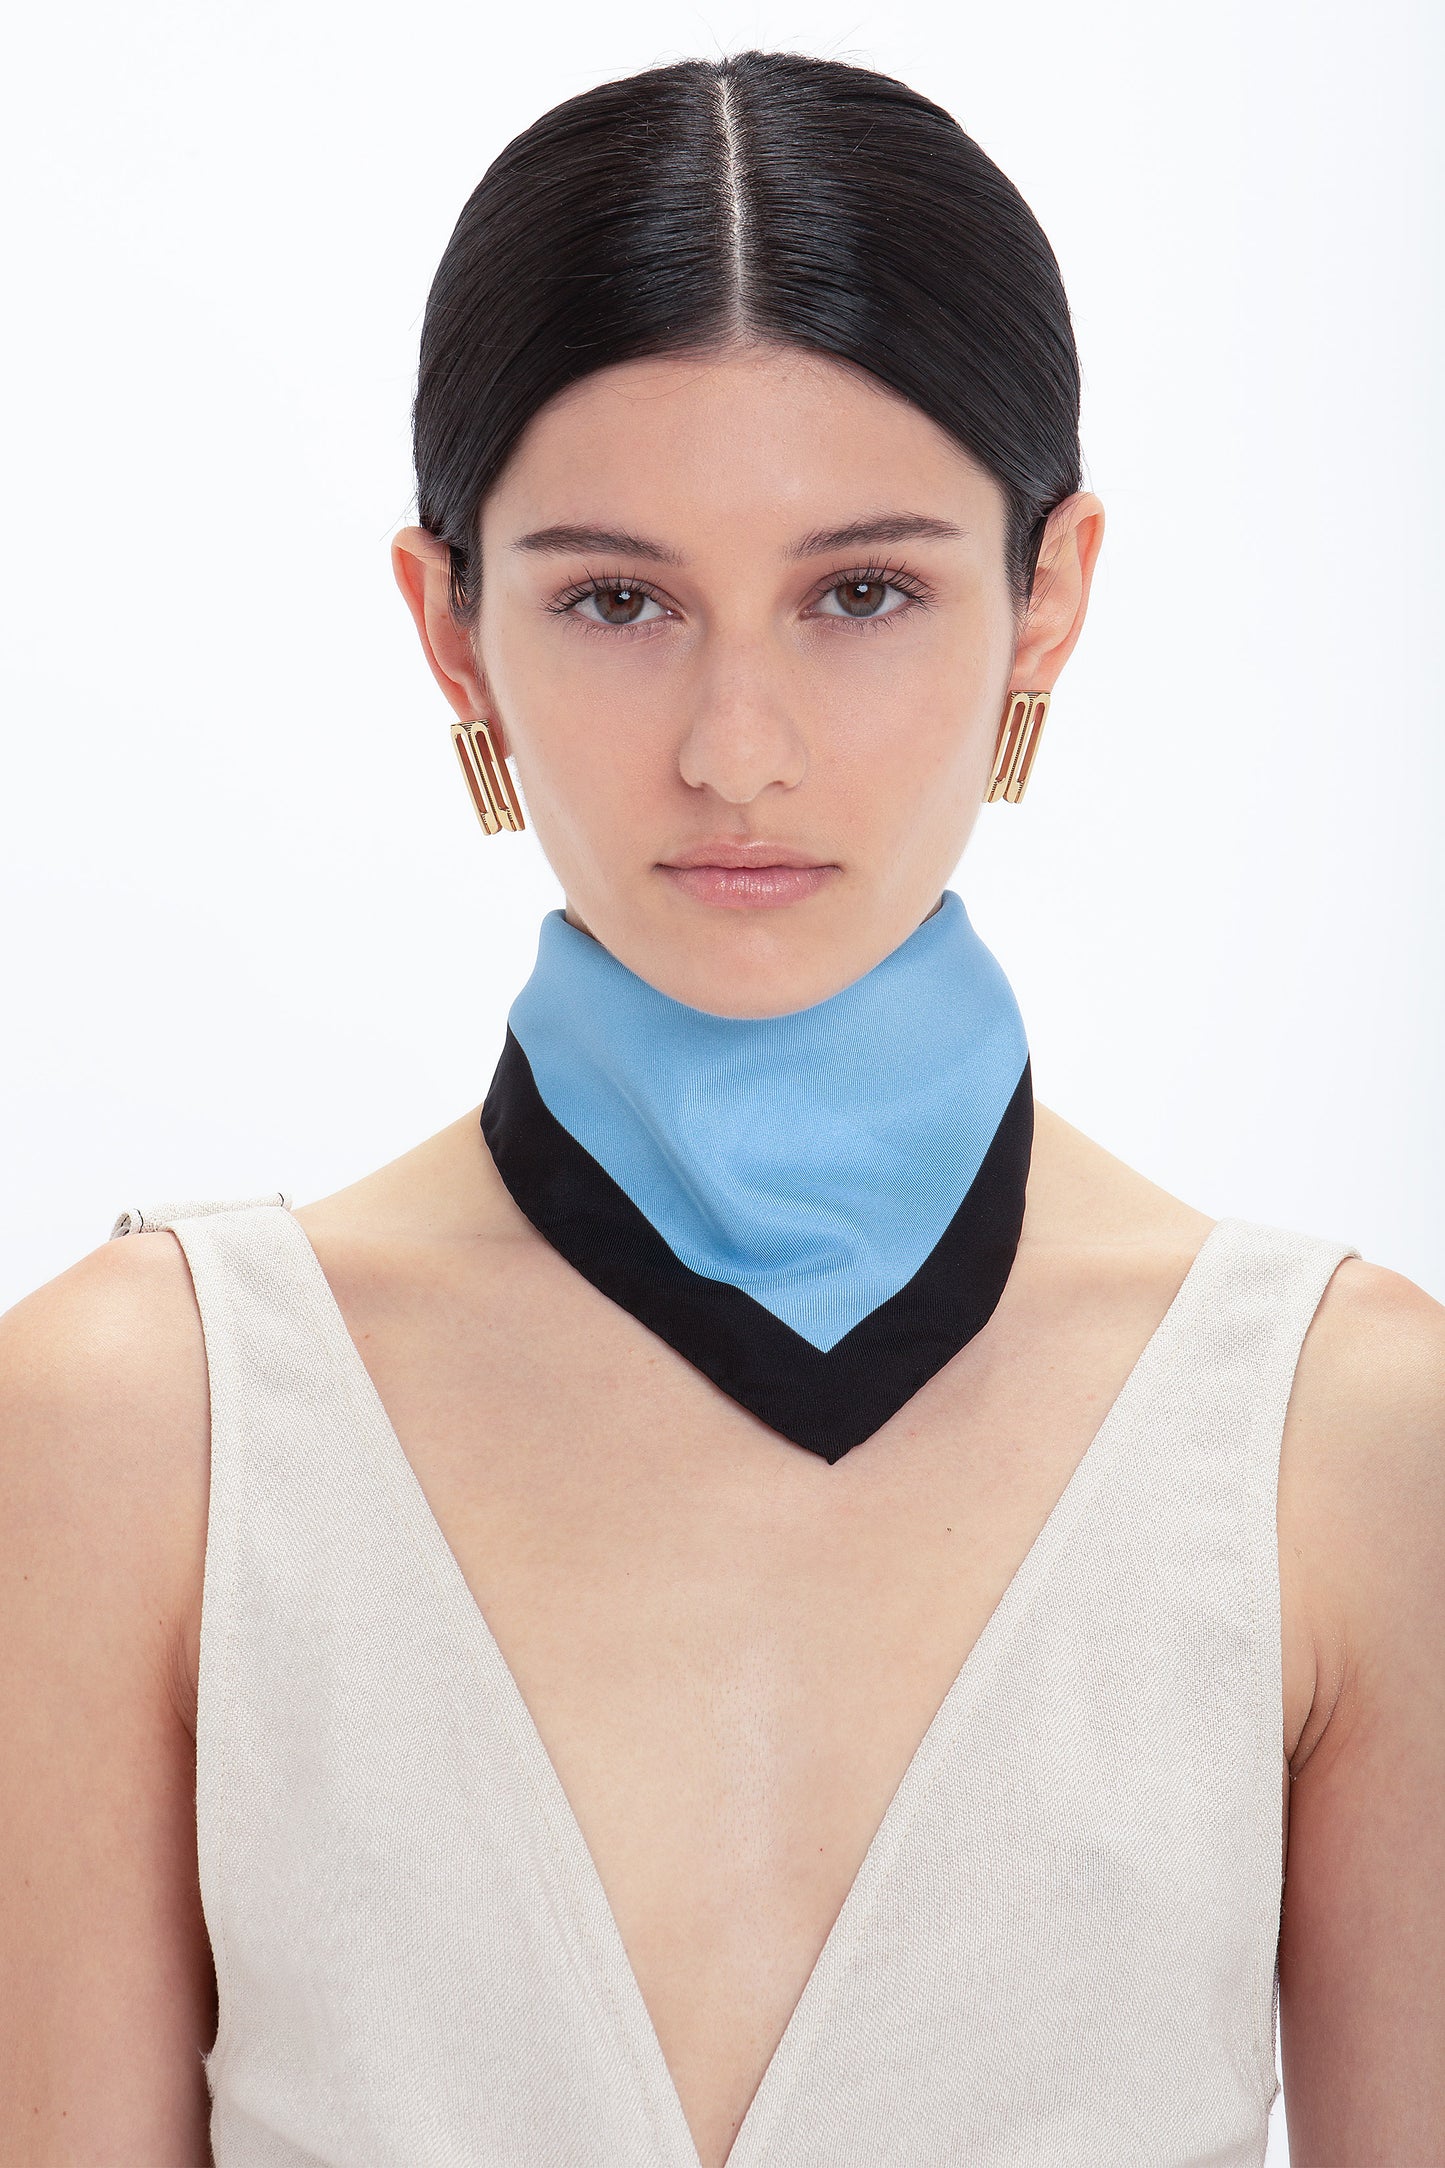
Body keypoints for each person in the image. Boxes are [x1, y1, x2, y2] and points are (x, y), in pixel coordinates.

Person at [1, 46, 1441, 2168]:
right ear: (452, 626)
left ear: (1049, 596)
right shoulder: (140, 1425)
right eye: (617, 599)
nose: (736, 748)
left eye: (863, 591)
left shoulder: (1346, 1440)